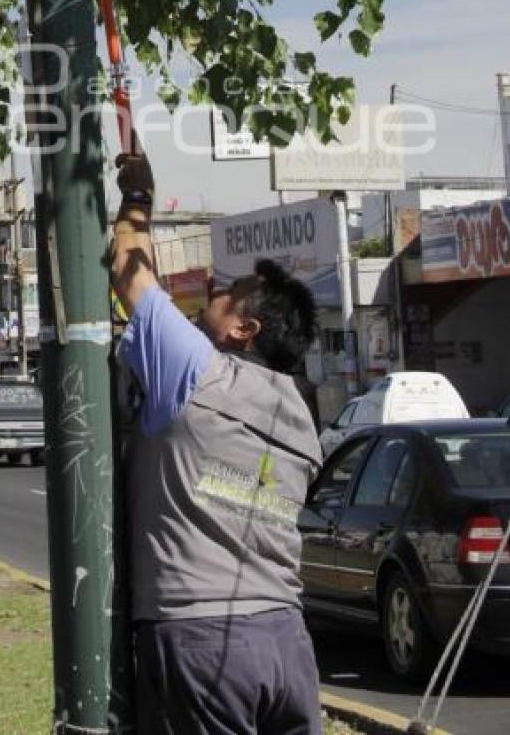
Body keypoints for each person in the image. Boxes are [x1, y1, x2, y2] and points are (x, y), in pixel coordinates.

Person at [111, 148, 323, 735]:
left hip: (202, 642)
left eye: (228, 290)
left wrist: (138, 198)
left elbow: (129, 269)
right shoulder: (301, 414)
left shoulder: (200, 371)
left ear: (244, 330)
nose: (213, 289)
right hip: (286, 643)